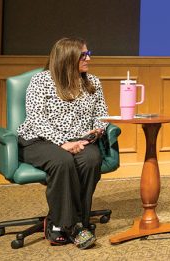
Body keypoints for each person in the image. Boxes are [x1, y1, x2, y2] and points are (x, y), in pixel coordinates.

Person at [16, 37, 108, 249]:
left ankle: (77, 221)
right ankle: (70, 226)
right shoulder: (41, 81)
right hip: (39, 139)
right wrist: (62, 143)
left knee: (91, 159)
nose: (89, 58)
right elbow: (36, 119)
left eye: (88, 53)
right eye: (83, 55)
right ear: (67, 58)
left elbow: (101, 114)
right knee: (62, 161)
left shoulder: (93, 82)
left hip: (79, 140)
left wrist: (97, 130)